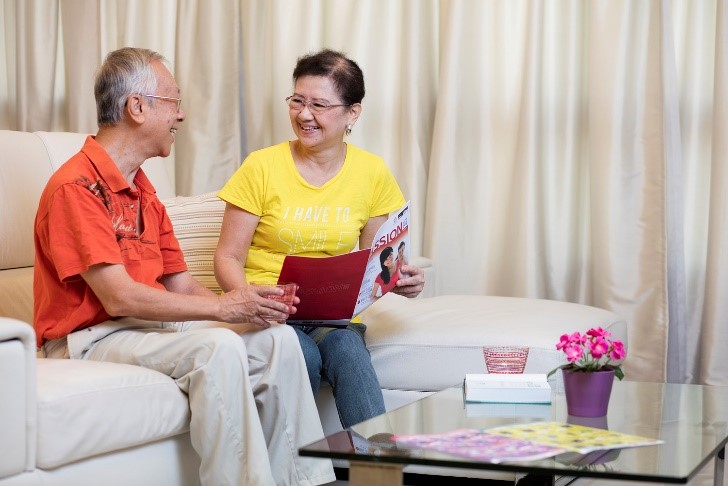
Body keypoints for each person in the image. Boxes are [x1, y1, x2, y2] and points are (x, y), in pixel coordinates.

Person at [33, 47, 334, 486]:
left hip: (144, 327)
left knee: (277, 340)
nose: (181, 114)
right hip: (89, 336)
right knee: (218, 347)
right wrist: (222, 312)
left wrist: (242, 307)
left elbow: (180, 282)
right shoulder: (76, 187)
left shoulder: (142, 189)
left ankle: (309, 482)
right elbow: (118, 296)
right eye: (172, 101)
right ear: (137, 107)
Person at [214, 48, 425, 428]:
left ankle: (379, 473)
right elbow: (227, 257)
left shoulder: (371, 172)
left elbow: (379, 257)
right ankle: (304, 474)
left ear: (352, 112)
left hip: (331, 315)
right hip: (268, 313)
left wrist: (400, 279)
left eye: (319, 105)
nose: (304, 115)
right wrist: (249, 301)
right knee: (302, 355)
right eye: (297, 101)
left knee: (346, 347)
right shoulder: (261, 166)